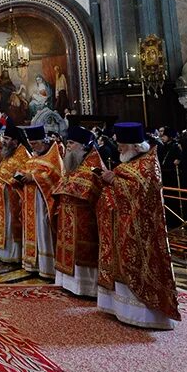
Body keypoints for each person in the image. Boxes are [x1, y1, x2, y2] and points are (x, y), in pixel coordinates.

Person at [96, 122, 180, 330]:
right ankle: (121, 310)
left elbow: (141, 191)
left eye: (122, 145)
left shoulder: (147, 164)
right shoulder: (133, 162)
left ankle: (144, 315)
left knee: (138, 264)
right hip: (123, 222)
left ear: (134, 145)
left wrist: (114, 179)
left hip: (143, 228)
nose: (118, 149)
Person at [52, 125, 104, 297]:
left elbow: (91, 187)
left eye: (72, 143)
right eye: (67, 142)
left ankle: (85, 287)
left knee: (82, 251)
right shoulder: (73, 164)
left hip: (84, 217)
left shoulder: (93, 164)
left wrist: (67, 188)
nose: (68, 146)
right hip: (68, 213)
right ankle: (68, 283)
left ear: (83, 145)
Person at [18, 124, 62, 278]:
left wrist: (34, 177)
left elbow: (56, 177)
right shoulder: (34, 157)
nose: (33, 147)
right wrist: (21, 176)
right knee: (32, 231)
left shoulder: (52, 157)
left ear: (43, 141)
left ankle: (47, 267)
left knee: (43, 232)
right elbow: (25, 170)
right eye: (31, 144)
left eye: (35, 143)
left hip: (43, 202)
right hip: (30, 202)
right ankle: (32, 264)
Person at [0, 123, 31, 263]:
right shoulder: (8, 153)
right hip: (3, 195)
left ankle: (15, 255)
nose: (4, 141)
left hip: (14, 195)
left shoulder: (23, 154)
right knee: (4, 223)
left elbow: (23, 173)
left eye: (8, 139)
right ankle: (5, 252)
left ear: (15, 141)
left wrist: (10, 181)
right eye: (4, 138)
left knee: (12, 224)